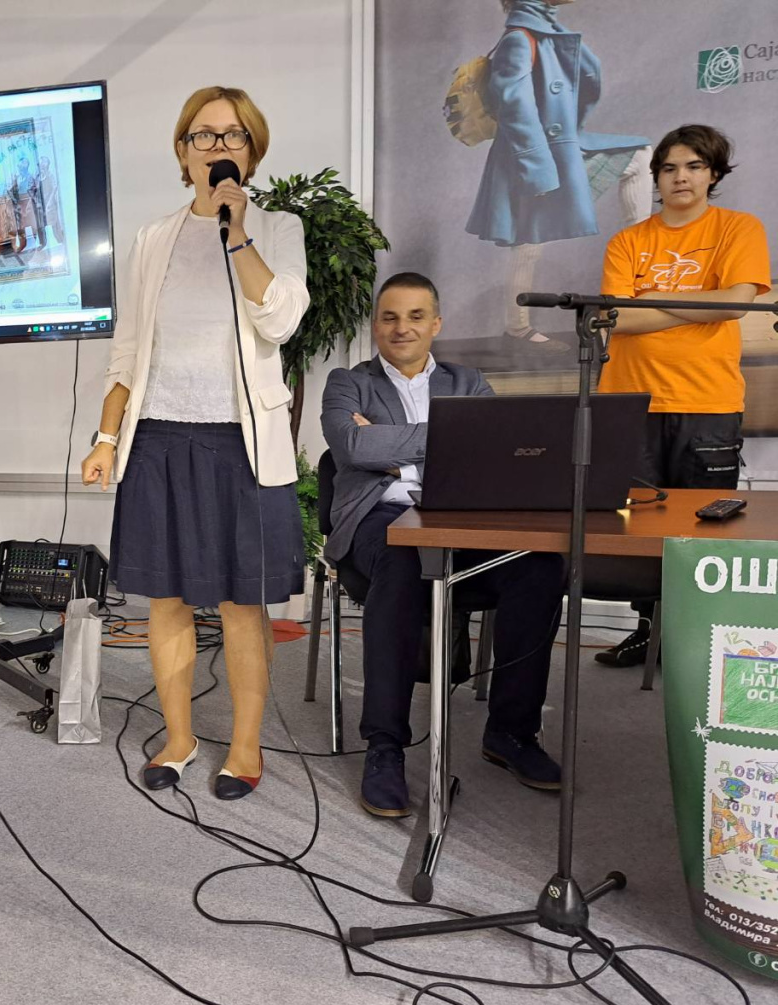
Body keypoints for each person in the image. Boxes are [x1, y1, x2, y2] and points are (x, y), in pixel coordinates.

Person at [81, 86, 308, 801]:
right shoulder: (153, 239)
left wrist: (237, 234)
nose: (216, 147)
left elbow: (281, 321)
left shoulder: (277, 228)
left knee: (242, 604)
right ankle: (178, 738)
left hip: (242, 445)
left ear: (252, 152)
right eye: (202, 135)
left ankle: (244, 746)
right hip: (157, 438)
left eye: (232, 135)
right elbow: (128, 350)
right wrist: (106, 435)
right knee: (167, 600)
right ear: (183, 154)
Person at [321, 273, 565, 818]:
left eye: (415, 316)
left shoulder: (467, 381)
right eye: (389, 317)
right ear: (375, 325)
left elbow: (491, 453)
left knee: (540, 566)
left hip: (459, 516)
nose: (401, 328)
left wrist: (393, 452)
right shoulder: (348, 382)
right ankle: (385, 745)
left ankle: (511, 732)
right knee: (402, 564)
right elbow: (353, 446)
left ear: (435, 324)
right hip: (378, 519)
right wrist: (446, 437)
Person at [595, 124, 771, 667]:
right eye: (669, 168)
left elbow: (736, 304)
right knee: (639, 529)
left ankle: (697, 645)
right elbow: (617, 319)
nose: (681, 177)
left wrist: (655, 296)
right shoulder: (628, 241)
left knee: (704, 530)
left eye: (694, 166)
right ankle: (649, 632)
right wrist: (702, 303)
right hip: (630, 404)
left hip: (708, 403)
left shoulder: (739, 228)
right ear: (656, 177)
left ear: (713, 174)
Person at [466, 0, 650, 348]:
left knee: (638, 155)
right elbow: (515, 108)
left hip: (556, 148)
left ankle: (638, 276)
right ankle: (517, 328)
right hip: (532, 156)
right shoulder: (520, 39)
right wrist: (537, 169)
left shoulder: (544, 32)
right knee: (529, 240)